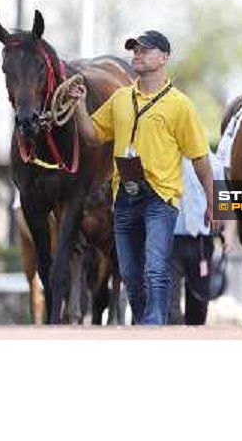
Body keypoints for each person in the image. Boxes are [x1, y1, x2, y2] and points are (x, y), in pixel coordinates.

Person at [69, 30, 216, 325]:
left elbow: (201, 159)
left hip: (160, 197)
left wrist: (213, 205)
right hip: (124, 194)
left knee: (155, 267)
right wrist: (79, 105)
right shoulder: (120, 99)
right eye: (134, 50)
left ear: (163, 57)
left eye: (144, 50)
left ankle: (153, 326)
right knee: (130, 272)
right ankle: (141, 323)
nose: (136, 54)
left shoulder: (180, 105)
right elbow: (92, 136)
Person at [169, 152, 226, 325]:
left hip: (201, 243)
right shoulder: (166, 157)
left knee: (199, 306)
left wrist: (227, 234)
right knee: (170, 307)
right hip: (171, 240)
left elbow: (223, 204)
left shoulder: (214, 163)